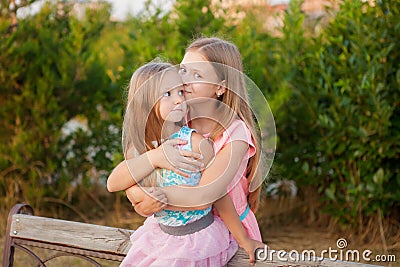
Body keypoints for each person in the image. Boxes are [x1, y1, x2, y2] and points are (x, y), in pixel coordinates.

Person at [107, 60, 264, 266]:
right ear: (145, 102)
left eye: (180, 92)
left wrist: (244, 239)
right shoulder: (140, 149)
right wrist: (155, 157)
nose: (178, 100)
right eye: (167, 94)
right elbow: (114, 184)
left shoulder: (195, 143)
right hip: (160, 236)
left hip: (197, 240)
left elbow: (218, 194)